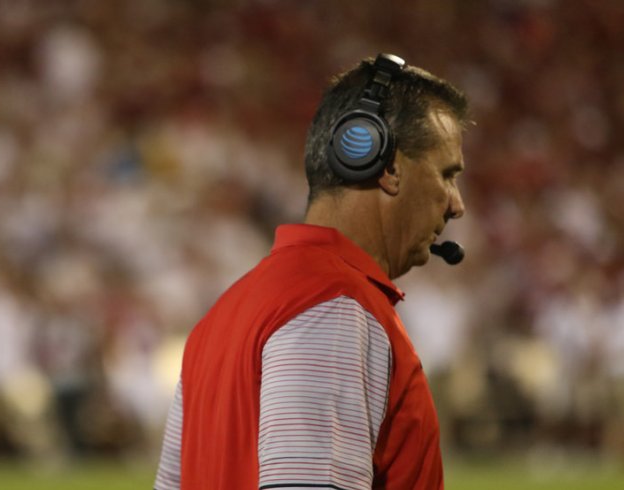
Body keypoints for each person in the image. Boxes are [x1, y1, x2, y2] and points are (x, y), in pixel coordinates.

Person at [154, 54, 471, 490]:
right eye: (446, 175)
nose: (456, 204)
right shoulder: (333, 307)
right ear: (388, 165)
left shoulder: (222, 315)